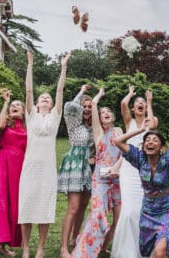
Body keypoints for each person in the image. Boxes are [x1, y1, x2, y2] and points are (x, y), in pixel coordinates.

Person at [115, 118, 169, 258]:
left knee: (160, 251)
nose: (150, 142)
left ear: (161, 147)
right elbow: (118, 141)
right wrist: (140, 130)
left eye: (155, 140)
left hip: (166, 209)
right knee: (147, 251)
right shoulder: (139, 158)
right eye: (147, 140)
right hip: (148, 210)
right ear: (143, 146)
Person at [18, 52, 70, 258]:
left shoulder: (55, 117)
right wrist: (30, 64)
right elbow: (29, 90)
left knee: (45, 209)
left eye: (47, 98)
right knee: (26, 208)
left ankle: (40, 247)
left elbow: (60, 89)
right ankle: (25, 248)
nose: (45, 98)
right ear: (38, 104)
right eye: (42, 98)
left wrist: (63, 67)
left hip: (48, 170)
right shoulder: (30, 116)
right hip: (30, 167)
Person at [71, 87, 123, 257]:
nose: (106, 113)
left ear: (113, 117)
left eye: (109, 111)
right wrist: (100, 93)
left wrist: (118, 167)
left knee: (118, 218)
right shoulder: (98, 132)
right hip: (100, 180)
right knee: (97, 214)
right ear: (99, 118)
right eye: (103, 112)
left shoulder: (119, 131)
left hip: (118, 180)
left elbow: (126, 153)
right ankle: (84, 250)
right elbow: (93, 104)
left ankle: (103, 246)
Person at [111, 86, 157, 258]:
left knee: (144, 208)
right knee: (129, 211)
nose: (140, 104)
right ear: (133, 108)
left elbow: (152, 125)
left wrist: (150, 102)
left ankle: (145, 248)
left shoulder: (151, 120)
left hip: (145, 169)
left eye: (143, 103)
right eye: (137, 103)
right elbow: (123, 103)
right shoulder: (128, 121)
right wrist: (130, 93)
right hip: (129, 170)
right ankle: (127, 252)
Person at [0, 86, 28, 258]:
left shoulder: (27, 128)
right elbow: (1, 123)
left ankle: (4, 246)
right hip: (3, 165)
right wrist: (6, 102)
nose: (14, 106)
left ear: (25, 112)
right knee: (0, 202)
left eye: (18, 105)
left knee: (14, 205)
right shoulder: (6, 125)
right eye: (13, 106)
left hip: (19, 167)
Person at [59, 84, 95, 258]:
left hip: (90, 169)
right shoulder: (73, 121)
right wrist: (82, 93)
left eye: (90, 107)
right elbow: (69, 106)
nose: (87, 109)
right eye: (85, 106)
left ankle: (75, 240)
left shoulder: (95, 126)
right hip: (74, 166)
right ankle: (63, 248)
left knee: (82, 206)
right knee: (73, 207)